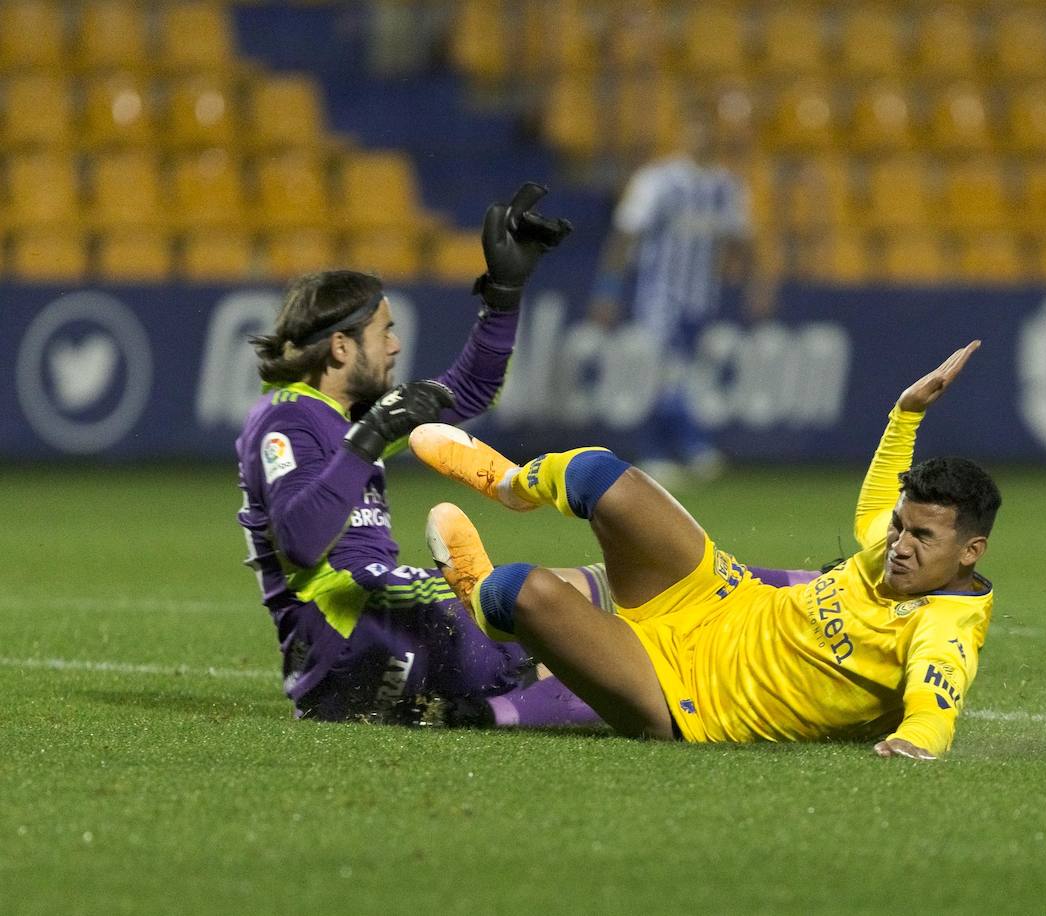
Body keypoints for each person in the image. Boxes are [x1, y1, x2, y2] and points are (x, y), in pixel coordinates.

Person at [411, 341, 1000, 759]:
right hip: (721, 601)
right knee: (600, 475)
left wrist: (911, 743)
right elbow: (879, 501)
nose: (898, 546)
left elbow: (933, 704)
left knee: (524, 590)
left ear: (971, 550)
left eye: (922, 538)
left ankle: (484, 604)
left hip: (687, 696)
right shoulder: (894, 547)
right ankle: (515, 487)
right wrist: (906, 414)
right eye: (901, 528)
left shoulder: (945, 627)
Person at [235, 182, 602, 729]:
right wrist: (371, 437)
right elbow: (302, 541)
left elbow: (469, 390)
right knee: (564, 635)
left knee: (576, 590)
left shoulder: (352, 417)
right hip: (345, 631)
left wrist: (503, 293)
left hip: (369, 628)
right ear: (341, 346)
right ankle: (504, 708)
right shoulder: (286, 417)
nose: (395, 346)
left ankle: (495, 704)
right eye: (384, 332)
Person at [589, 112, 770, 486]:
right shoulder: (658, 181)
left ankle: (663, 452)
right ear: (683, 135)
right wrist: (608, 289)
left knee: (679, 374)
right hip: (659, 296)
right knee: (667, 371)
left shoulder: (726, 186)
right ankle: (688, 447)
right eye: (694, 130)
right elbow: (625, 235)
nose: (700, 138)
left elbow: (743, 240)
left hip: (702, 298)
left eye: (707, 132)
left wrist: (758, 285)